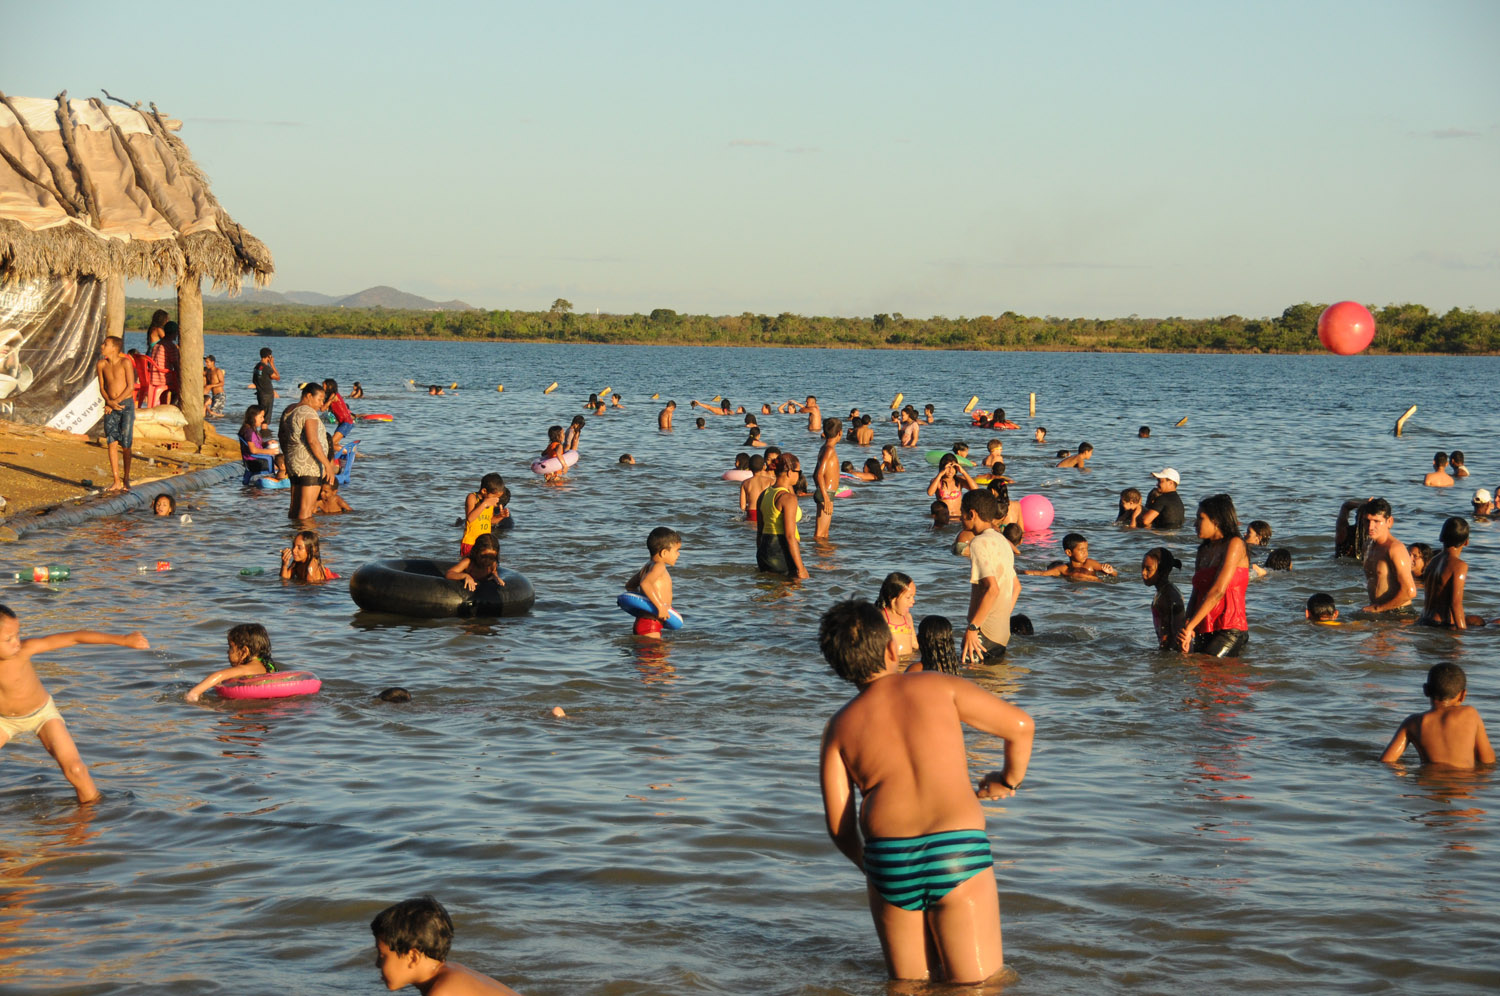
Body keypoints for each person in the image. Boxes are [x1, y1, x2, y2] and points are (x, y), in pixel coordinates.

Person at [817, 599, 1032, 984]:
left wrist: (873, 867)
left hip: (890, 859)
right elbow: (1020, 725)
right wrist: (1006, 780)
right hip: (956, 850)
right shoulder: (938, 686)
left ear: (838, 668)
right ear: (891, 647)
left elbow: (840, 828)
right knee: (976, 986)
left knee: (907, 986)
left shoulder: (838, 728)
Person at [0, 605, 149, 803]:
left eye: (17, 635)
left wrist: (122, 639)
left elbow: (74, 637)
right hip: (3, 721)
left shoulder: (25, 650)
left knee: (75, 769)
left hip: (42, 715)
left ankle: (89, 814)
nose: (16, 642)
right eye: (8, 639)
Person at [371, 895, 524, 995]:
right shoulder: (450, 972)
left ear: (413, 957)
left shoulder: (442, 992)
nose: (377, 963)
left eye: (382, 956)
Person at [1380, 664, 1494, 768]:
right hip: (1462, 784)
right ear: (1463, 695)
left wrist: (1404, 776)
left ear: (1425, 690)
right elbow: (1487, 761)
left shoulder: (1412, 723)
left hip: (1428, 786)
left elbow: (1386, 762)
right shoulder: (1470, 714)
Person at [1178, 493, 1250, 656]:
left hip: (1230, 628)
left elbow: (1218, 591)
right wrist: (1187, 627)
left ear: (1216, 521)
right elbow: (1196, 594)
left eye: (1200, 518)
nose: (1195, 524)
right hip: (1202, 625)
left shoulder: (1235, 544)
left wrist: (1189, 627)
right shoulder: (1203, 550)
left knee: (1208, 668)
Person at [960, 490, 1018, 665]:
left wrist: (973, 628)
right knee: (994, 686)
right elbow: (1017, 587)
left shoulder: (978, 543)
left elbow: (992, 589)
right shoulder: (1003, 541)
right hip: (1002, 633)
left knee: (972, 685)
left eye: (962, 512)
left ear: (972, 514)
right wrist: (1001, 616)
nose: (960, 517)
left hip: (983, 633)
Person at [279, 382, 336, 521]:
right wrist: (327, 465)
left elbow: (281, 436)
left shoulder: (289, 409)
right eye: (320, 399)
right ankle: (306, 539)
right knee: (306, 511)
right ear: (309, 396)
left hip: (294, 463)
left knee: (294, 508)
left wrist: (287, 456)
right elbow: (313, 441)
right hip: (309, 465)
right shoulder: (308, 411)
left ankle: (293, 537)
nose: (321, 403)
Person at [186, 623, 278, 703]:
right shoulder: (268, 666)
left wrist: (194, 693)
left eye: (231, 647)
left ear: (244, 651)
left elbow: (220, 675)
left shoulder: (246, 668)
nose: (228, 651)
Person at [1418, 517, 1484, 629]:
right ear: (1466, 542)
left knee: (1478, 620)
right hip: (1442, 624)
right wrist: (1462, 633)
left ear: (1441, 537)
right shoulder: (1459, 566)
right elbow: (1456, 604)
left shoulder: (1433, 561)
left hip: (1424, 619)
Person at [1360, 498, 1417, 613]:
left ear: (1389, 521)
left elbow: (1410, 591)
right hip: (1379, 611)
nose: (1370, 527)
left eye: (1376, 521)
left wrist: (1378, 608)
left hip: (1399, 613)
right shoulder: (1368, 545)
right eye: (1367, 521)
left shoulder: (1395, 549)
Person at [756, 453, 808, 578]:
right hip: (781, 552)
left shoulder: (764, 494)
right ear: (790, 472)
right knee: (790, 594)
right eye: (798, 472)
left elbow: (760, 531)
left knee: (769, 593)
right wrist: (801, 569)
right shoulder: (787, 498)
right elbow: (790, 536)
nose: (799, 475)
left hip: (764, 552)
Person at [624, 527, 681, 639]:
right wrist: (660, 607)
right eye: (676, 550)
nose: (678, 554)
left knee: (653, 654)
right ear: (664, 552)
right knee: (656, 655)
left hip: (644, 621)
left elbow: (630, 586)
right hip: (650, 623)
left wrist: (642, 603)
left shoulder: (647, 566)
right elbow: (645, 584)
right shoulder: (659, 566)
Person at [96, 336, 136, 493]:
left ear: (114, 348)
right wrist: (109, 402)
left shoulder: (125, 362)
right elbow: (102, 387)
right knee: (111, 441)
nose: (102, 346)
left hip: (125, 404)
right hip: (110, 406)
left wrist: (116, 401)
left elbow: (131, 387)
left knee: (126, 443)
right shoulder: (101, 364)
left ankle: (126, 478)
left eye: (105, 344)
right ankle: (116, 480)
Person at [1141, 547, 1186, 647]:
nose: (1143, 573)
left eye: (1148, 569)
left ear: (1163, 571)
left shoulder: (1170, 595)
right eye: (1142, 567)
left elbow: (1179, 630)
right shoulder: (1162, 592)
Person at [1023, 532, 1117, 580]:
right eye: (1081, 550)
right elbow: (1041, 574)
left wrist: (1111, 571)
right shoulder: (1063, 569)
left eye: (1086, 549)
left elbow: (1114, 574)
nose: (1085, 553)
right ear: (1068, 552)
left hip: (1094, 589)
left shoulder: (1090, 564)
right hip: (1074, 589)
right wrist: (1019, 571)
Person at [460, 474, 509, 555]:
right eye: (494, 496)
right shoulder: (473, 498)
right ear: (484, 491)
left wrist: (501, 516)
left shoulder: (489, 501)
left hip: (485, 542)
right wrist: (485, 504)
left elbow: (490, 520)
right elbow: (470, 518)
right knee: (470, 565)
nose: (496, 500)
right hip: (470, 542)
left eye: (498, 497)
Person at [238, 405, 286, 480]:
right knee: (282, 462)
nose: (263, 419)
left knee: (280, 458)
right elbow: (253, 450)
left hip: (255, 460)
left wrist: (266, 443)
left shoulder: (250, 429)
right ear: (253, 417)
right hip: (255, 462)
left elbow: (257, 444)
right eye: (261, 417)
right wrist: (269, 452)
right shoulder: (248, 432)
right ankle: (280, 481)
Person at [875, 572, 917, 657]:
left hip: (908, 664)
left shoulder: (908, 618)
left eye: (913, 597)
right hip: (890, 666)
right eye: (908, 597)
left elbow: (915, 645)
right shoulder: (881, 618)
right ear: (892, 598)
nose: (913, 601)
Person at [814, 417, 841, 539]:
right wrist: (825, 497)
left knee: (824, 533)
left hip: (824, 492)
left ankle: (825, 556)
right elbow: (819, 474)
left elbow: (815, 474)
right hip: (827, 494)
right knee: (820, 534)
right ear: (840, 433)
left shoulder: (824, 448)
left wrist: (819, 490)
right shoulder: (829, 450)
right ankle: (818, 556)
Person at [323, 378, 356, 450]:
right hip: (343, 423)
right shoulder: (331, 396)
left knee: (330, 444)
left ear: (329, 386)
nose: (322, 388)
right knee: (334, 444)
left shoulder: (334, 395)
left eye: (324, 386)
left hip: (346, 423)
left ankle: (352, 453)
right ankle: (340, 456)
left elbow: (323, 408)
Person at [741, 454, 772, 521]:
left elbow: (742, 506)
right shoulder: (770, 481)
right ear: (764, 467)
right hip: (765, 512)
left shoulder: (745, 483)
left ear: (749, 468)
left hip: (751, 513)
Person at [252, 347, 279, 421]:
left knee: (261, 415)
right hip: (267, 395)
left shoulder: (257, 366)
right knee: (265, 419)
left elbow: (254, 380)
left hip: (260, 394)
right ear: (269, 356)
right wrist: (272, 364)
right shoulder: (266, 368)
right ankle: (264, 432)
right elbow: (277, 377)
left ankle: (259, 431)